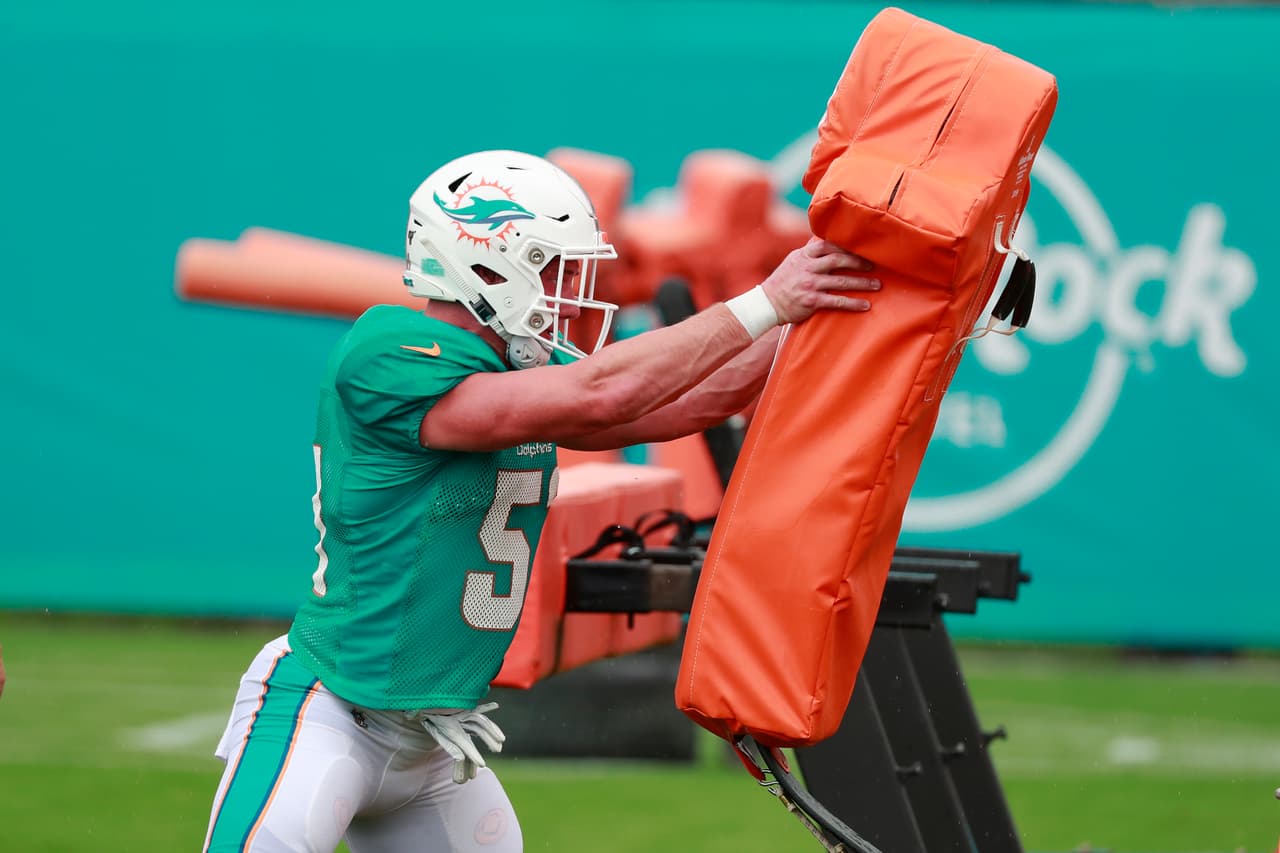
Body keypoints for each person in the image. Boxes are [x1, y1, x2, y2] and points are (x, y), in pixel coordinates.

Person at [202, 149, 880, 853]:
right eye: (551, 264)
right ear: (483, 263)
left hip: (434, 744)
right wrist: (767, 301)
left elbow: (691, 398)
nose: (566, 288)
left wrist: (820, 311)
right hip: (329, 712)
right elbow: (602, 391)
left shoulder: (517, 367)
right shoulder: (390, 349)